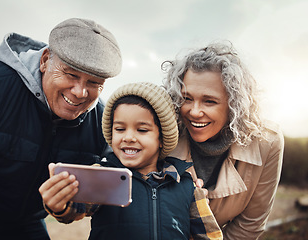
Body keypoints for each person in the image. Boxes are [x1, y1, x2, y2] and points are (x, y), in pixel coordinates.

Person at [0, 18, 122, 240]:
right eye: (71, 74)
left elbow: (104, 194)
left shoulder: (103, 122)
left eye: (94, 82)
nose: (80, 92)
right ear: (45, 60)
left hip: (27, 222)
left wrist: (69, 208)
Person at [39, 82, 223, 240]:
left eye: (142, 130)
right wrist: (61, 204)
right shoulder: (104, 176)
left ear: (162, 138)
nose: (128, 137)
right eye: (120, 129)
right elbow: (76, 208)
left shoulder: (185, 184)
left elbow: (209, 234)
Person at [162, 41, 284, 239]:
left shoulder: (267, 142)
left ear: (235, 103)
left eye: (209, 101)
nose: (194, 111)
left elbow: (249, 225)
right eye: (187, 98)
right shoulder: (162, 131)